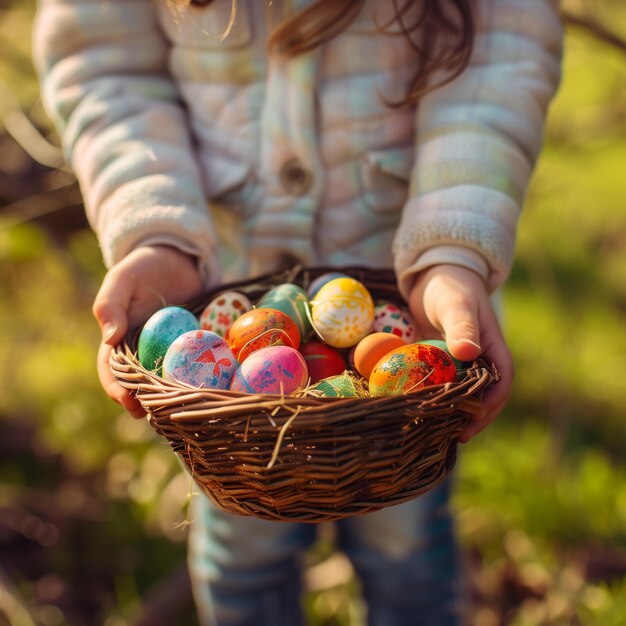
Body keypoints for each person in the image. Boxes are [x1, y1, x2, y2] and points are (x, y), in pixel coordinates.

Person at [33, 0, 563, 623]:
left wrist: (454, 246)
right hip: (220, 315)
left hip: (414, 309)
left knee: (407, 544)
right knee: (242, 548)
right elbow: (105, 60)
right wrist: (157, 230)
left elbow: (500, 58)